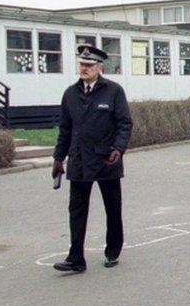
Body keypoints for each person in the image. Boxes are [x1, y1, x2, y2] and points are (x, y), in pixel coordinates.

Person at [52, 45, 133, 272]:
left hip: (107, 160)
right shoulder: (70, 94)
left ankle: (113, 251)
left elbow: (125, 124)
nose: (84, 68)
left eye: (89, 65)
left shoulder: (113, 91)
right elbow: (65, 129)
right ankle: (76, 258)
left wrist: (118, 148)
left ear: (100, 67)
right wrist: (58, 157)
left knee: (112, 208)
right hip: (79, 161)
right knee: (76, 210)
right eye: (82, 64)